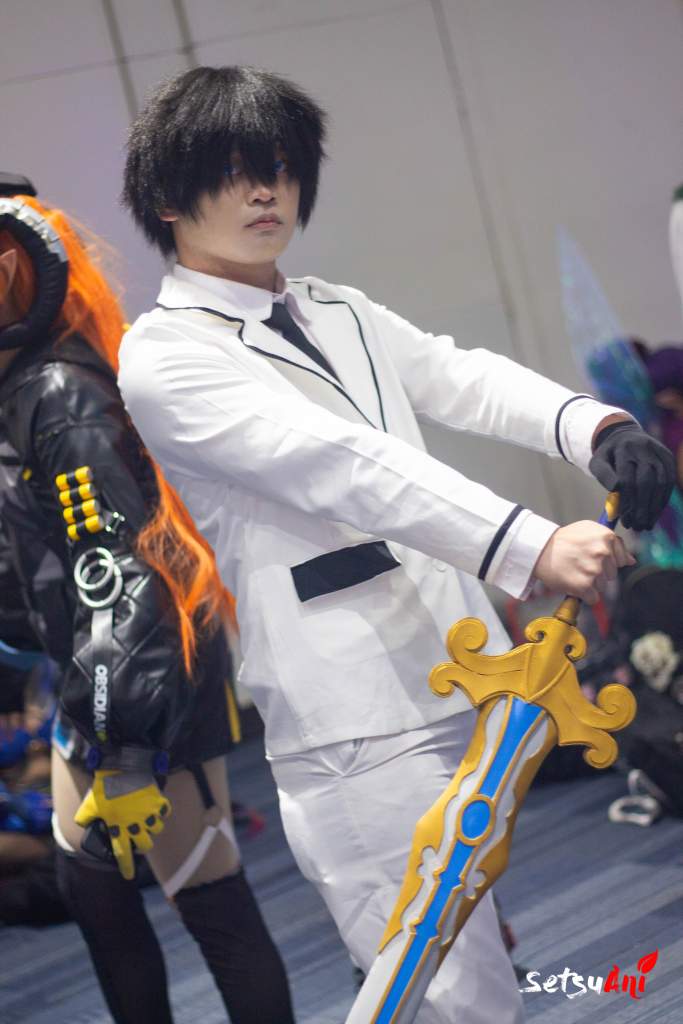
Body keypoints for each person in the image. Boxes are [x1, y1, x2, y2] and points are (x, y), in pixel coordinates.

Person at [118, 66, 675, 1024]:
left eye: (280, 167)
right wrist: (530, 543)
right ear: (169, 199)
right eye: (233, 171)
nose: (266, 192)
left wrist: (594, 426)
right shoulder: (165, 355)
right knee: (441, 988)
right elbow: (341, 463)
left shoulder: (333, 305)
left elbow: (461, 378)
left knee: (471, 964)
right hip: (354, 714)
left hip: (464, 672)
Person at [0, 175, 295, 1024]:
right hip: (94, 682)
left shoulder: (60, 394)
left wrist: (127, 746)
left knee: (210, 904)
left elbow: (124, 573)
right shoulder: (26, 387)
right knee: (93, 891)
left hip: (148, 687)